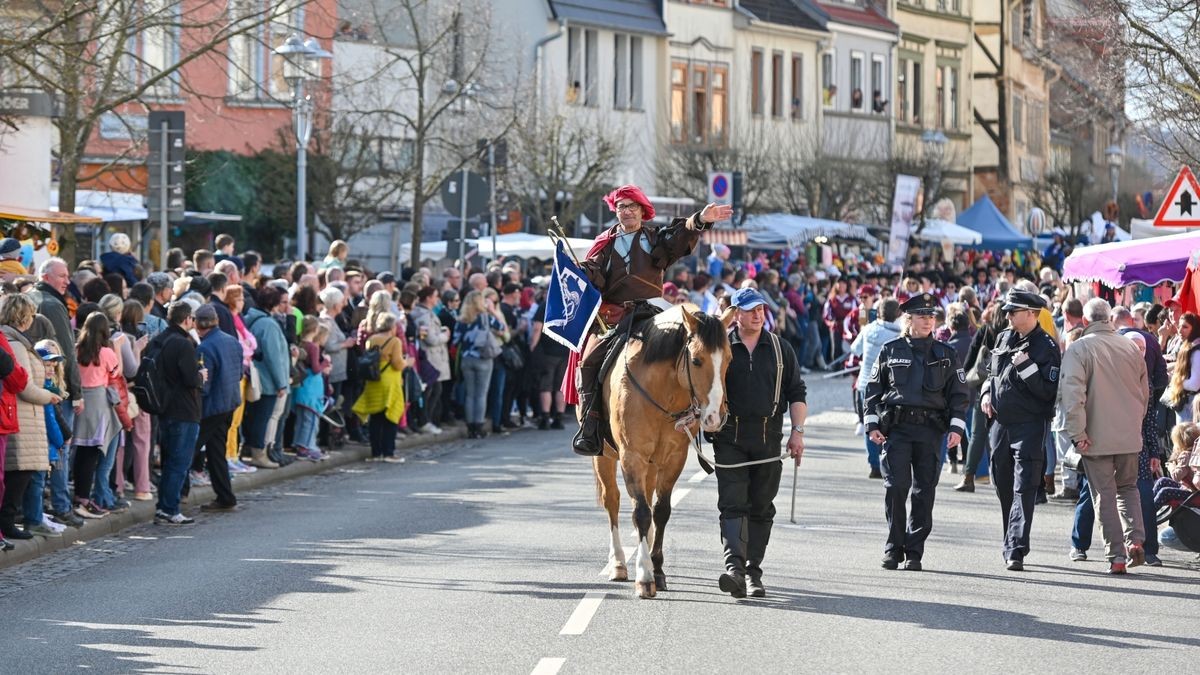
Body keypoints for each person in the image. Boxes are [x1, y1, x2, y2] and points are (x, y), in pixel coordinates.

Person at [571, 184, 730, 455]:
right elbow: (593, 274)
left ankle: (710, 412)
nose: (628, 212)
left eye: (633, 207)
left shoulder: (656, 238)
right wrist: (577, 269)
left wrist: (701, 219)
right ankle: (591, 426)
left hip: (654, 311)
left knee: (700, 352)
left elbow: (681, 237)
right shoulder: (604, 244)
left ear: (643, 211)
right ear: (616, 211)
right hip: (617, 315)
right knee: (587, 362)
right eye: (622, 207)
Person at [712, 289, 807, 598]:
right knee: (732, 502)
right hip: (730, 437)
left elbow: (797, 392)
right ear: (735, 313)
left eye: (761, 309)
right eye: (750, 309)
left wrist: (798, 432)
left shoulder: (781, 349)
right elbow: (704, 387)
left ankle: (754, 572)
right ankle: (735, 569)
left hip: (769, 436)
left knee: (761, 506)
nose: (757, 314)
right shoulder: (721, 347)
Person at [864, 293, 969, 571]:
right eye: (922, 316)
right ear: (908, 320)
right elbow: (873, 389)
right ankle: (893, 546)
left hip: (930, 431)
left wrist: (957, 429)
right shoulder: (891, 349)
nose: (928, 321)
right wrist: (872, 424)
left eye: (931, 316)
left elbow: (959, 394)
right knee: (896, 487)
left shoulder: (946, 354)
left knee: (924, 491)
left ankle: (914, 551)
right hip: (897, 430)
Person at [1058, 298, 1149, 574]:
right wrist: (1135, 424)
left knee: (1104, 494)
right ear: (1109, 319)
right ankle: (1135, 540)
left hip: (1094, 436)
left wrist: (1078, 433)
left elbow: (1072, 396)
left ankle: (1117, 556)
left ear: (1085, 321)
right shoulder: (1131, 347)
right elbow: (1144, 394)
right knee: (1128, 488)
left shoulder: (1079, 348)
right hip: (1128, 434)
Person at [979, 290, 1061, 571]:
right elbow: (991, 372)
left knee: (1024, 486)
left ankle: (1015, 548)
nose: (1008, 316)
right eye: (1007, 312)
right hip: (1001, 423)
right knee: (1002, 483)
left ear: (1031, 314)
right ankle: (1011, 537)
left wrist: (1026, 367)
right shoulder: (1004, 337)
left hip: (1030, 423)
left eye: (1013, 312)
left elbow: (1047, 392)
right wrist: (986, 394)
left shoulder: (1046, 346)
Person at [149, 302, 206, 525]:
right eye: (192, 318)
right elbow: (191, 379)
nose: (193, 322)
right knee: (179, 462)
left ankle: (164, 506)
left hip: (165, 407)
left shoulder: (160, 339)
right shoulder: (182, 344)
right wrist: (201, 376)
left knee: (169, 461)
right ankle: (169, 508)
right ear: (186, 320)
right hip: (183, 409)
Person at [194, 304, 244, 512]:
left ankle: (177, 495)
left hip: (213, 406)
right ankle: (225, 496)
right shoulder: (231, 340)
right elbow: (240, 372)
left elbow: (204, 384)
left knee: (189, 448)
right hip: (229, 402)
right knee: (216, 452)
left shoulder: (204, 347)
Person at [849, 298, 901, 478]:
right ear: (898, 315)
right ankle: (885, 461)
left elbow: (854, 349)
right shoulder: (899, 335)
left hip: (864, 384)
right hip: (886, 386)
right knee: (888, 424)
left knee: (868, 424)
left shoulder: (868, 329)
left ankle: (873, 464)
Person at [352, 312, 408, 461]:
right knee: (390, 418)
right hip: (389, 382)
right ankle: (389, 452)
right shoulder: (395, 341)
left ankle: (376, 453)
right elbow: (397, 363)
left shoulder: (372, 339)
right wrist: (408, 363)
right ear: (392, 326)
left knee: (375, 418)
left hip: (373, 381)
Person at [453, 291, 508, 439]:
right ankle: (479, 425)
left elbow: (455, 340)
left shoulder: (461, 320)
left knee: (470, 394)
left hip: (466, 359)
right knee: (481, 394)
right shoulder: (486, 318)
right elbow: (502, 328)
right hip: (483, 358)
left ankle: (470, 426)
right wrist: (492, 311)